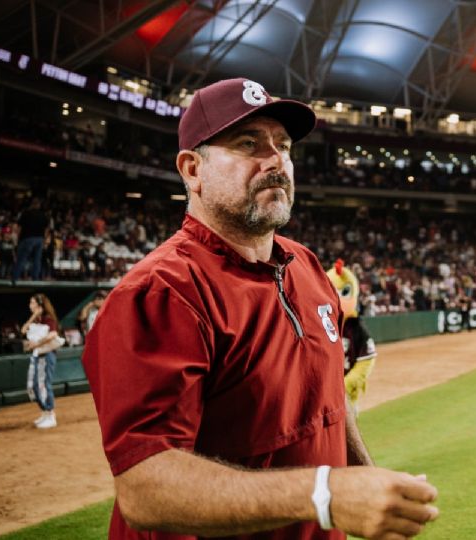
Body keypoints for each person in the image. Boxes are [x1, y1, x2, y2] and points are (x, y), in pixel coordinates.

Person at [82, 78, 438, 540]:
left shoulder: (307, 267)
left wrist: (364, 477)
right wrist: (327, 494)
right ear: (192, 169)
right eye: (248, 143)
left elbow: (333, 396)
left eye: (284, 145)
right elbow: (144, 489)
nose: (276, 160)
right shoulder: (162, 292)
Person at [326, 259, 377, 411]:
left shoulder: (356, 328)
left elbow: (366, 360)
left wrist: (344, 385)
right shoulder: (319, 324)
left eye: (344, 293)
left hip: (346, 397)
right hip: (321, 396)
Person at [22, 293, 64, 429]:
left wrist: (37, 344)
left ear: (39, 305)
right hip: (37, 356)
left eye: (32, 302)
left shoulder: (48, 319)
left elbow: (53, 334)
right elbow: (23, 330)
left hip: (46, 355)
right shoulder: (37, 319)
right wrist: (34, 315)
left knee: (43, 385)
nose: (30, 305)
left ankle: (51, 415)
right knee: (33, 386)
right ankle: (45, 413)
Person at [13, 198, 50, 282]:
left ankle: (15, 277)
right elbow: (46, 228)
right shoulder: (43, 215)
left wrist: (18, 239)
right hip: (39, 239)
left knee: (22, 258)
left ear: (31, 205)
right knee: (37, 260)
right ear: (38, 205)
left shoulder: (26, 213)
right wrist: (44, 239)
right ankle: (35, 279)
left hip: (27, 238)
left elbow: (19, 227)